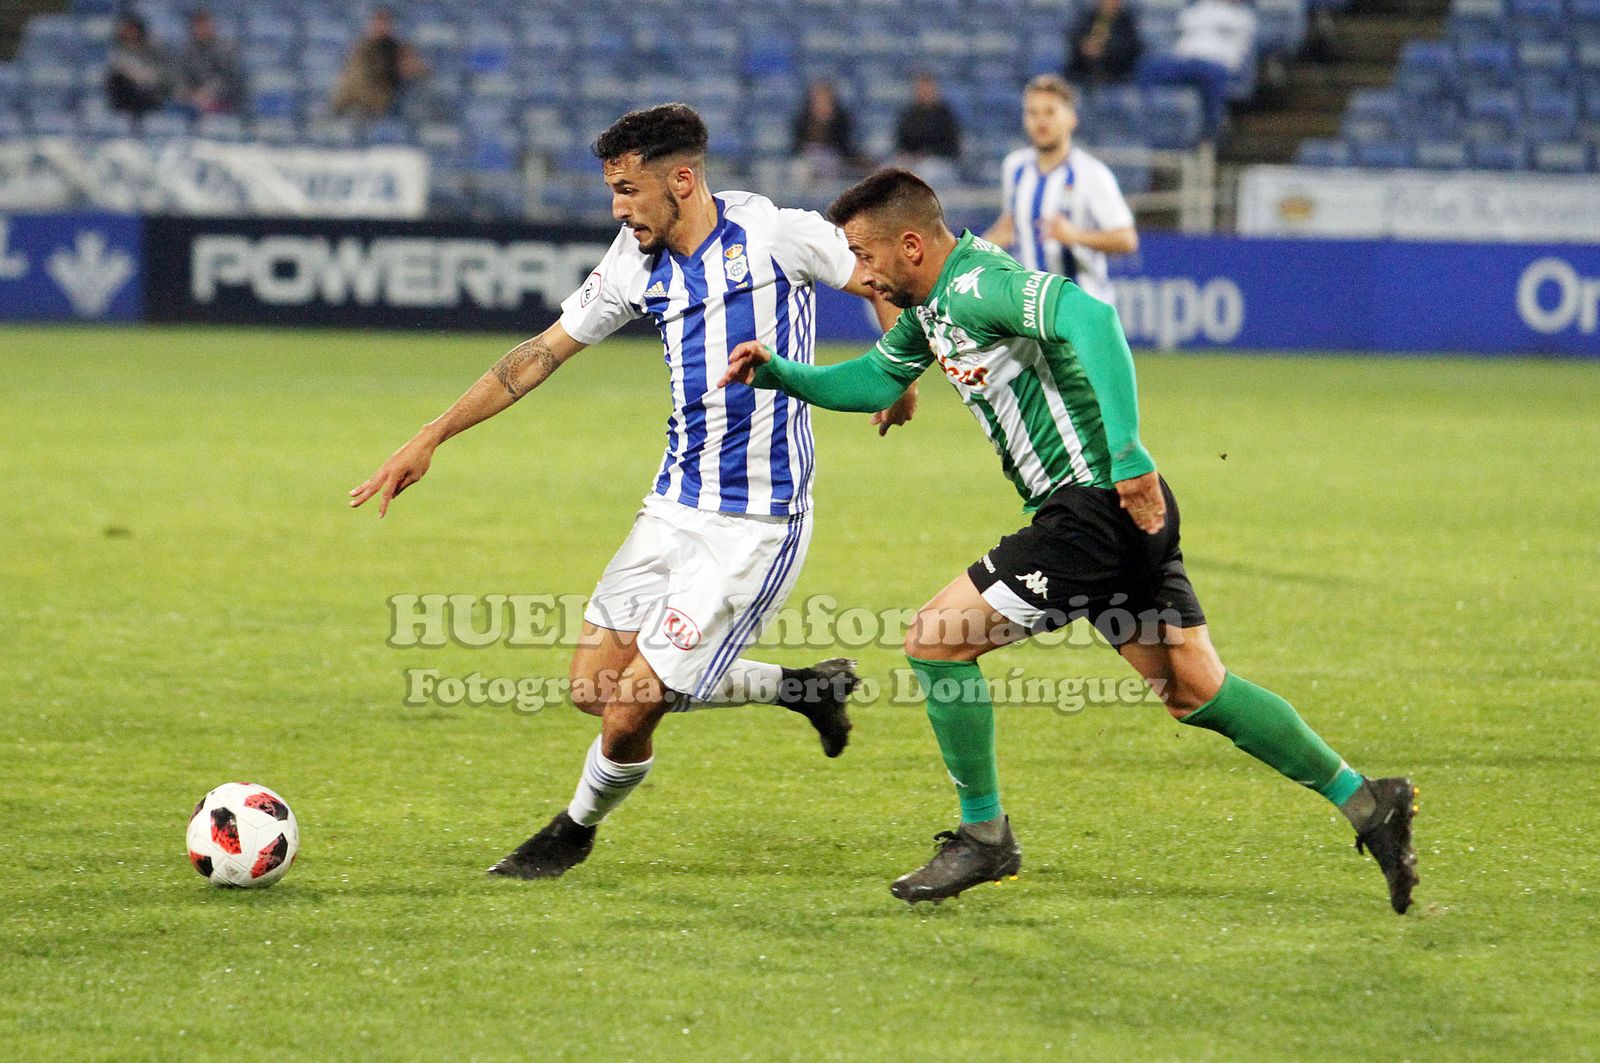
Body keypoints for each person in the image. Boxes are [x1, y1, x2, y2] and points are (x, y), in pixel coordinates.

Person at [719, 168, 1420, 914]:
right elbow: (873, 380)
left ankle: (984, 835)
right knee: (1194, 688)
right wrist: (780, 374)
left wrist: (1128, 457)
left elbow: (1092, 318)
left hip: (1095, 510)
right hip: (1116, 517)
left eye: (865, 255)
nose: (858, 275)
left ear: (913, 245)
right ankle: (1369, 802)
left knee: (934, 639)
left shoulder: (976, 286)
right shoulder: (928, 313)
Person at [350, 105, 901, 880]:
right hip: (672, 506)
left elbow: (881, 274)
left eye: (627, 189)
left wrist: (895, 367)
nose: (618, 207)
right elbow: (540, 354)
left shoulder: (774, 234)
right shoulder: (634, 259)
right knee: (594, 687)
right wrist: (432, 434)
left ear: (682, 179)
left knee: (630, 706)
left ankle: (571, 831)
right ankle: (803, 686)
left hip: (756, 523)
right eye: (612, 191)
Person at [983, 76, 1136, 307]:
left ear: (1071, 118)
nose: (1041, 121)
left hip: (1082, 307)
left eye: (1050, 112)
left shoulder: (1091, 173)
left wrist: (1075, 235)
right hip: (1029, 309)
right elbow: (1010, 225)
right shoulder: (1015, 168)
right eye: (1033, 113)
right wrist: (979, 247)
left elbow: (1126, 239)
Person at [1137, 0, 1258, 138]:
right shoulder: (1202, 6)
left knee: (1214, 75)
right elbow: (1183, 22)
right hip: (1186, 60)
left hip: (1216, 63)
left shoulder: (1244, 16)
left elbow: (1241, 49)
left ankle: (1210, 133)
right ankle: (1148, 123)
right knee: (1149, 68)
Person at [331, 6, 429, 119]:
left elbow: (419, 70)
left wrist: (408, 69)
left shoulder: (399, 48)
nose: (382, 27)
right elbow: (353, 81)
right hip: (362, 102)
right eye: (378, 23)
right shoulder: (360, 50)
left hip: (393, 100)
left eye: (385, 23)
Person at [173, 8, 245, 116]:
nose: (202, 29)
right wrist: (187, 93)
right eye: (198, 25)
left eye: (205, 24)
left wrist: (208, 92)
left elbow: (227, 77)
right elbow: (180, 76)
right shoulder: (185, 50)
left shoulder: (225, 48)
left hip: (223, 99)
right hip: (192, 99)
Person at [790, 78, 859, 182]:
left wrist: (827, 121)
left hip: (833, 157)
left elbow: (844, 144)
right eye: (818, 97)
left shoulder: (842, 118)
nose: (822, 100)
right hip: (808, 156)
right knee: (800, 168)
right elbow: (797, 143)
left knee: (831, 165)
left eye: (825, 97)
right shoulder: (802, 118)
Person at [106, 13, 171, 117]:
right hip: (127, 95)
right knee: (116, 80)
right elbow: (116, 75)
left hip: (149, 94)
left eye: (132, 29)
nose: (130, 33)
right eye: (126, 30)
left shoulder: (153, 48)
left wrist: (140, 75)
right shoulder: (117, 51)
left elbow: (159, 74)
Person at [1067, 0, 1143, 85]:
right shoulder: (1087, 17)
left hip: (1117, 73)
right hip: (1083, 72)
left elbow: (1130, 46)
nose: (1110, 3)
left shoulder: (1126, 21)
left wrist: (1105, 48)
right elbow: (1074, 37)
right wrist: (1085, 45)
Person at [894, 73, 962, 163]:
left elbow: (952, 147)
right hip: (911, 160)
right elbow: (901, 141)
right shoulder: (908, 114)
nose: (924, 93)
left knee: (926, 171)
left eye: (927, 89)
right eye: (921, 89)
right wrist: (906, 155)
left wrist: (929, 154)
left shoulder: (945, 116)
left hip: (940, 160)